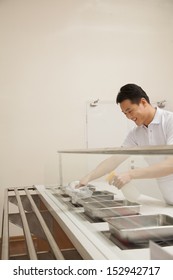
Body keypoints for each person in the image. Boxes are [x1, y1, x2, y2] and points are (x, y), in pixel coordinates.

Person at [77, 83, 173, 205]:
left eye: (130, 111)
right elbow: (115, 159)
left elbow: (171, 164)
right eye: (125, 114)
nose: (129, 117)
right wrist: (88, 177)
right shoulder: (136, 133)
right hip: (169, 200)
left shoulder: (170, 121)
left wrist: (130, 174)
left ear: (143, 102)